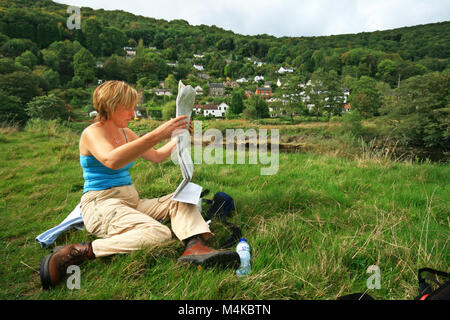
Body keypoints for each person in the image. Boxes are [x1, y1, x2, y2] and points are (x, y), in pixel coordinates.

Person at [40, 80, 239, 290]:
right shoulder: (92, 132)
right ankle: (79, 251)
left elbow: (157, 156)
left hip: (131, 201)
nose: (133, 114)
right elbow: (111, 160)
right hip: (102, 203)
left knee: (184, 197)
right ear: (109, 106)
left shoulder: (126, 133)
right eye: (128, 108)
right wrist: (158, 133)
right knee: (159, 233)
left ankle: (195, 246)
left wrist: (180, 135)